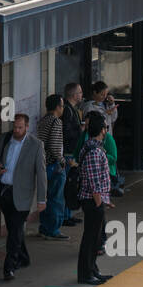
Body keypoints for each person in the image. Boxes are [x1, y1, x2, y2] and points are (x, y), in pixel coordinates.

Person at [0, 114, 47, 281]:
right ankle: (24, 257)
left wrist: (41, 199)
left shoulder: (36, 145)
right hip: (5, 191)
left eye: (20, 127)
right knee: (13, 229)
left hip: (23, 195)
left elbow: (41, 173)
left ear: (27, 127)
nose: (16, 130)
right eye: (15, 127)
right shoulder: (5, 139)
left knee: (15, 231)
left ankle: (9, 266)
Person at [76, 112, 114, 285]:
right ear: (102, 130)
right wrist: (99, 202)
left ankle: (93, 269)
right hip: (92, 201)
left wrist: (105, 200)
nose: (106, 130)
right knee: (90, 238)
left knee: (96, 238)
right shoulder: (93, 151)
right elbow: (93, 181)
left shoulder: (94, 147)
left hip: (97, 200)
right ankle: (85, 273)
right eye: (105, 127)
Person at [37, 94, 69, 240]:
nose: (63, 109)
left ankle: (44, 227)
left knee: (45, 198)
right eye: (62, 106)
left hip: (44, 165)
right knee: (56, 199)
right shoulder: (56, 121)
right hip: (54, 165)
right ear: (57, 107)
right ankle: (53, 230)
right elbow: (55, 147)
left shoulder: (43, 120)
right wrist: (63, 161)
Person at [59, 83, 83, 228]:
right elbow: (66, 133)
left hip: (71, 152)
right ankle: (64, 216)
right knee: (68, 185)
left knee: (71, 185)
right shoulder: (67, 110)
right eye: (80, 92)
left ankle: (68, 214)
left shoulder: (71, 109)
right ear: (73, 95)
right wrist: (80, 130)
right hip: (68, 153)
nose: (81, 95)